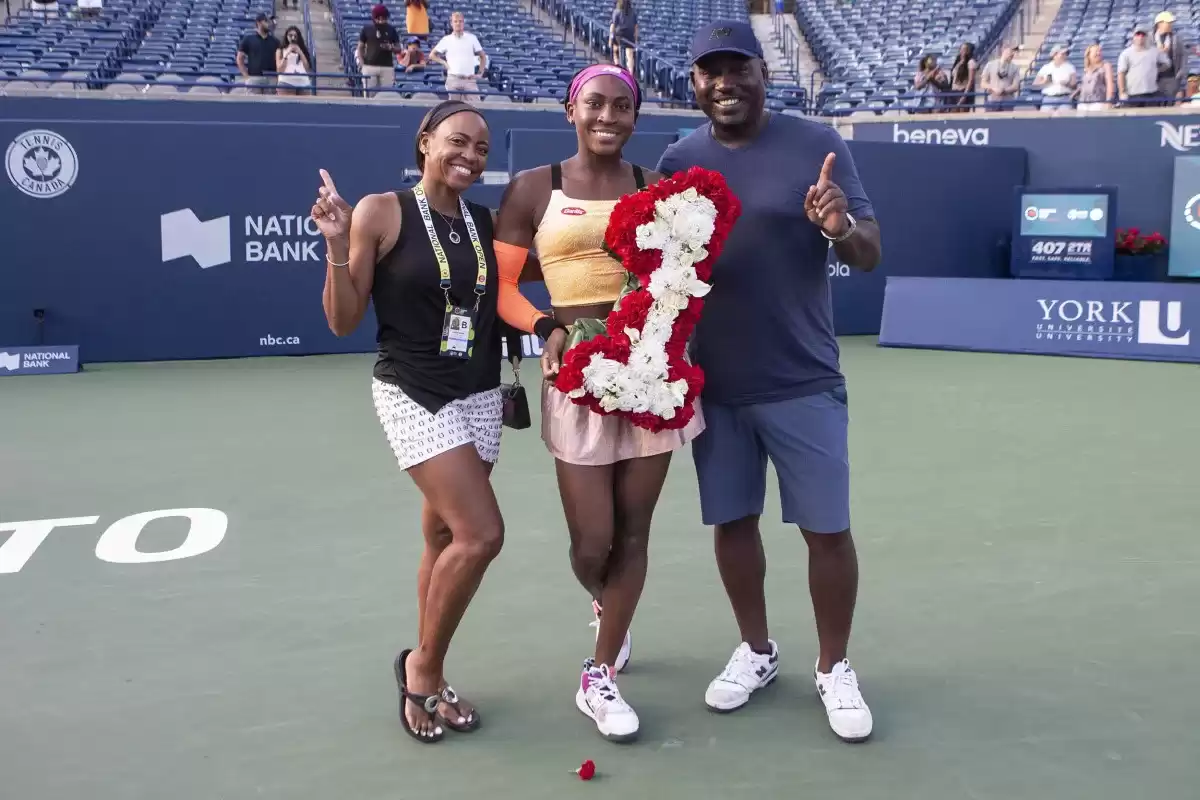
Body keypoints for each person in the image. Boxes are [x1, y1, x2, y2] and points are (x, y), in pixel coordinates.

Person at [654, 21, 881, 743]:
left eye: (737, 68)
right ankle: (756, 651)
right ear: (693, 82)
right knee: (732, 523)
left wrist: (839, 225)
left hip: (802, 378)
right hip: (714, 385)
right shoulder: (677, 158)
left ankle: (834, 666)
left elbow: (869, 253)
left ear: (763, 72)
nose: (723, 82)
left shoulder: (818, 144)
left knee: (828, 530)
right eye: (708, 71)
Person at [491, 63, 704, 743]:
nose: (609, 116)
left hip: (652, 369)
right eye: (595, 104)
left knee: (634, 533)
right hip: (576, 371)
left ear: (636, 117)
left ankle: (600, 671)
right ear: (570, 111)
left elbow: (680, 272)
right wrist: (546, 327)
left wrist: (665, 322)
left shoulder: (656, 188)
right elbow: (503, 292)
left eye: (622, 106)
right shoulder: (532, 188)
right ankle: (606, 603)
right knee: (592, 541)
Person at [310, 100, 504, 745]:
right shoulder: (380, 210)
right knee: (480, 535)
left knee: (443, 541)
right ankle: (420, 669)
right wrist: (338, 245)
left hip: (477, 394)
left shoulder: (482, 220)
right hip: (413, 392)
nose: (470, 157)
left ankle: (435, 669)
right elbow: (342, 319)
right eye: (457, 142)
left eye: (480, 148)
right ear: (425, 141)